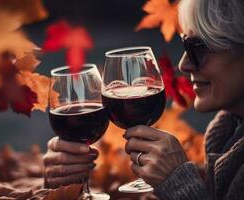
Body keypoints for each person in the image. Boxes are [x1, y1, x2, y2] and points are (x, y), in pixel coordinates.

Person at [43, 0, 244, 199]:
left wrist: (179, 182)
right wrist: (67, 188)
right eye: (185, 45)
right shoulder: (225, 136)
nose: (184, 64)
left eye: (199, 47)